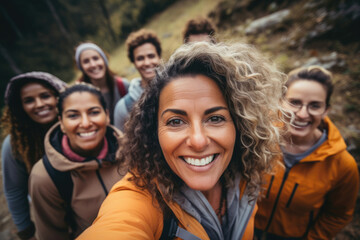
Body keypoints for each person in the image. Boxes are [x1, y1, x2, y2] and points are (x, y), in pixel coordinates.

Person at [78, 42, 286, 240]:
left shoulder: (247, 168)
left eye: (215, 118)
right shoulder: (138, 198)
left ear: (240, 125)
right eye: (176, 121)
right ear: (154, 132)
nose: (198, 141)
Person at [255, 66, 359, 239]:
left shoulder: (342, 165)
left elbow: (338, 215)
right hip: (244, 229)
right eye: (294, 102)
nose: (302, 114)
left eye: (314, 106)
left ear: (326, 110)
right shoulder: (258, 138)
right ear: (281, 101)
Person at [29, 84, 126, 239]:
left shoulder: (132, 150)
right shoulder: (45, 176)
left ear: (107, 115)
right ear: (61, 122)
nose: (86, 123)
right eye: (73, 115)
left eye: (94, 112)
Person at [1, 72, 67, 240]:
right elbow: (15, 190)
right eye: (28, 100)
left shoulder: (77, 124)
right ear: (20, 106)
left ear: (59, 95)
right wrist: (26, 231)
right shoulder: (15, 144)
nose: (39, 104)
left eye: (45, 96)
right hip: (52, 218)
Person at [113, 28, 161, 131]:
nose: (147, 62)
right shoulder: (123, 107)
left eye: (151, 56)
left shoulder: (177, 90)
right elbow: (122, 144)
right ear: (134, 63)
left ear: (159, 57)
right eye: (140, 58)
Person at [75, 42, 129, 123]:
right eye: (86, 61)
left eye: (96, 58)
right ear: (81, 67)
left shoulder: (123, 85)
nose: (93, 64)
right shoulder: (78, 94)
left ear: (104, 60)